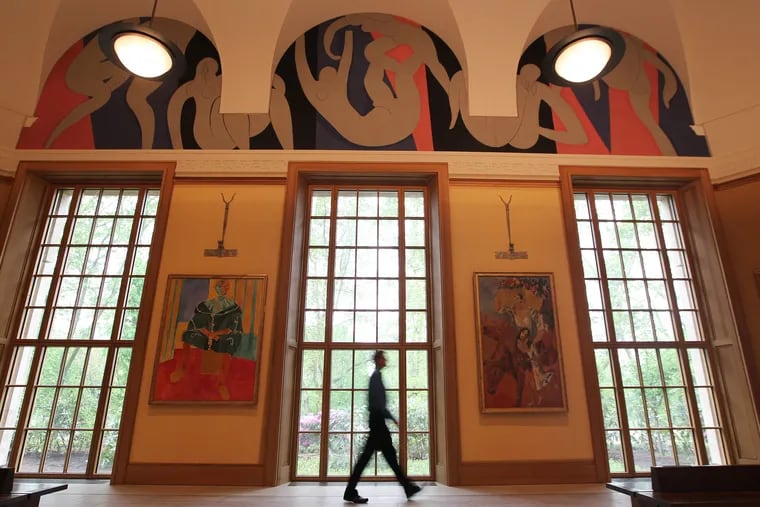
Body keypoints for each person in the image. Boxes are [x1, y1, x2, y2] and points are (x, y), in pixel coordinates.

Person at [343, 350, 422, 504]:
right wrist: (392, 418)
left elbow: (377, 403)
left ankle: (407, 487)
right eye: (383, 358)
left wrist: (390, 418)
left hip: (377, 422)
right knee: (375, 458)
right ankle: (350, 491)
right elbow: (377, 404)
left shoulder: (376, 377)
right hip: (378, 423)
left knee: (384, 457)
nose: (385, 360)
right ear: (378, 360)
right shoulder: (376, 378)